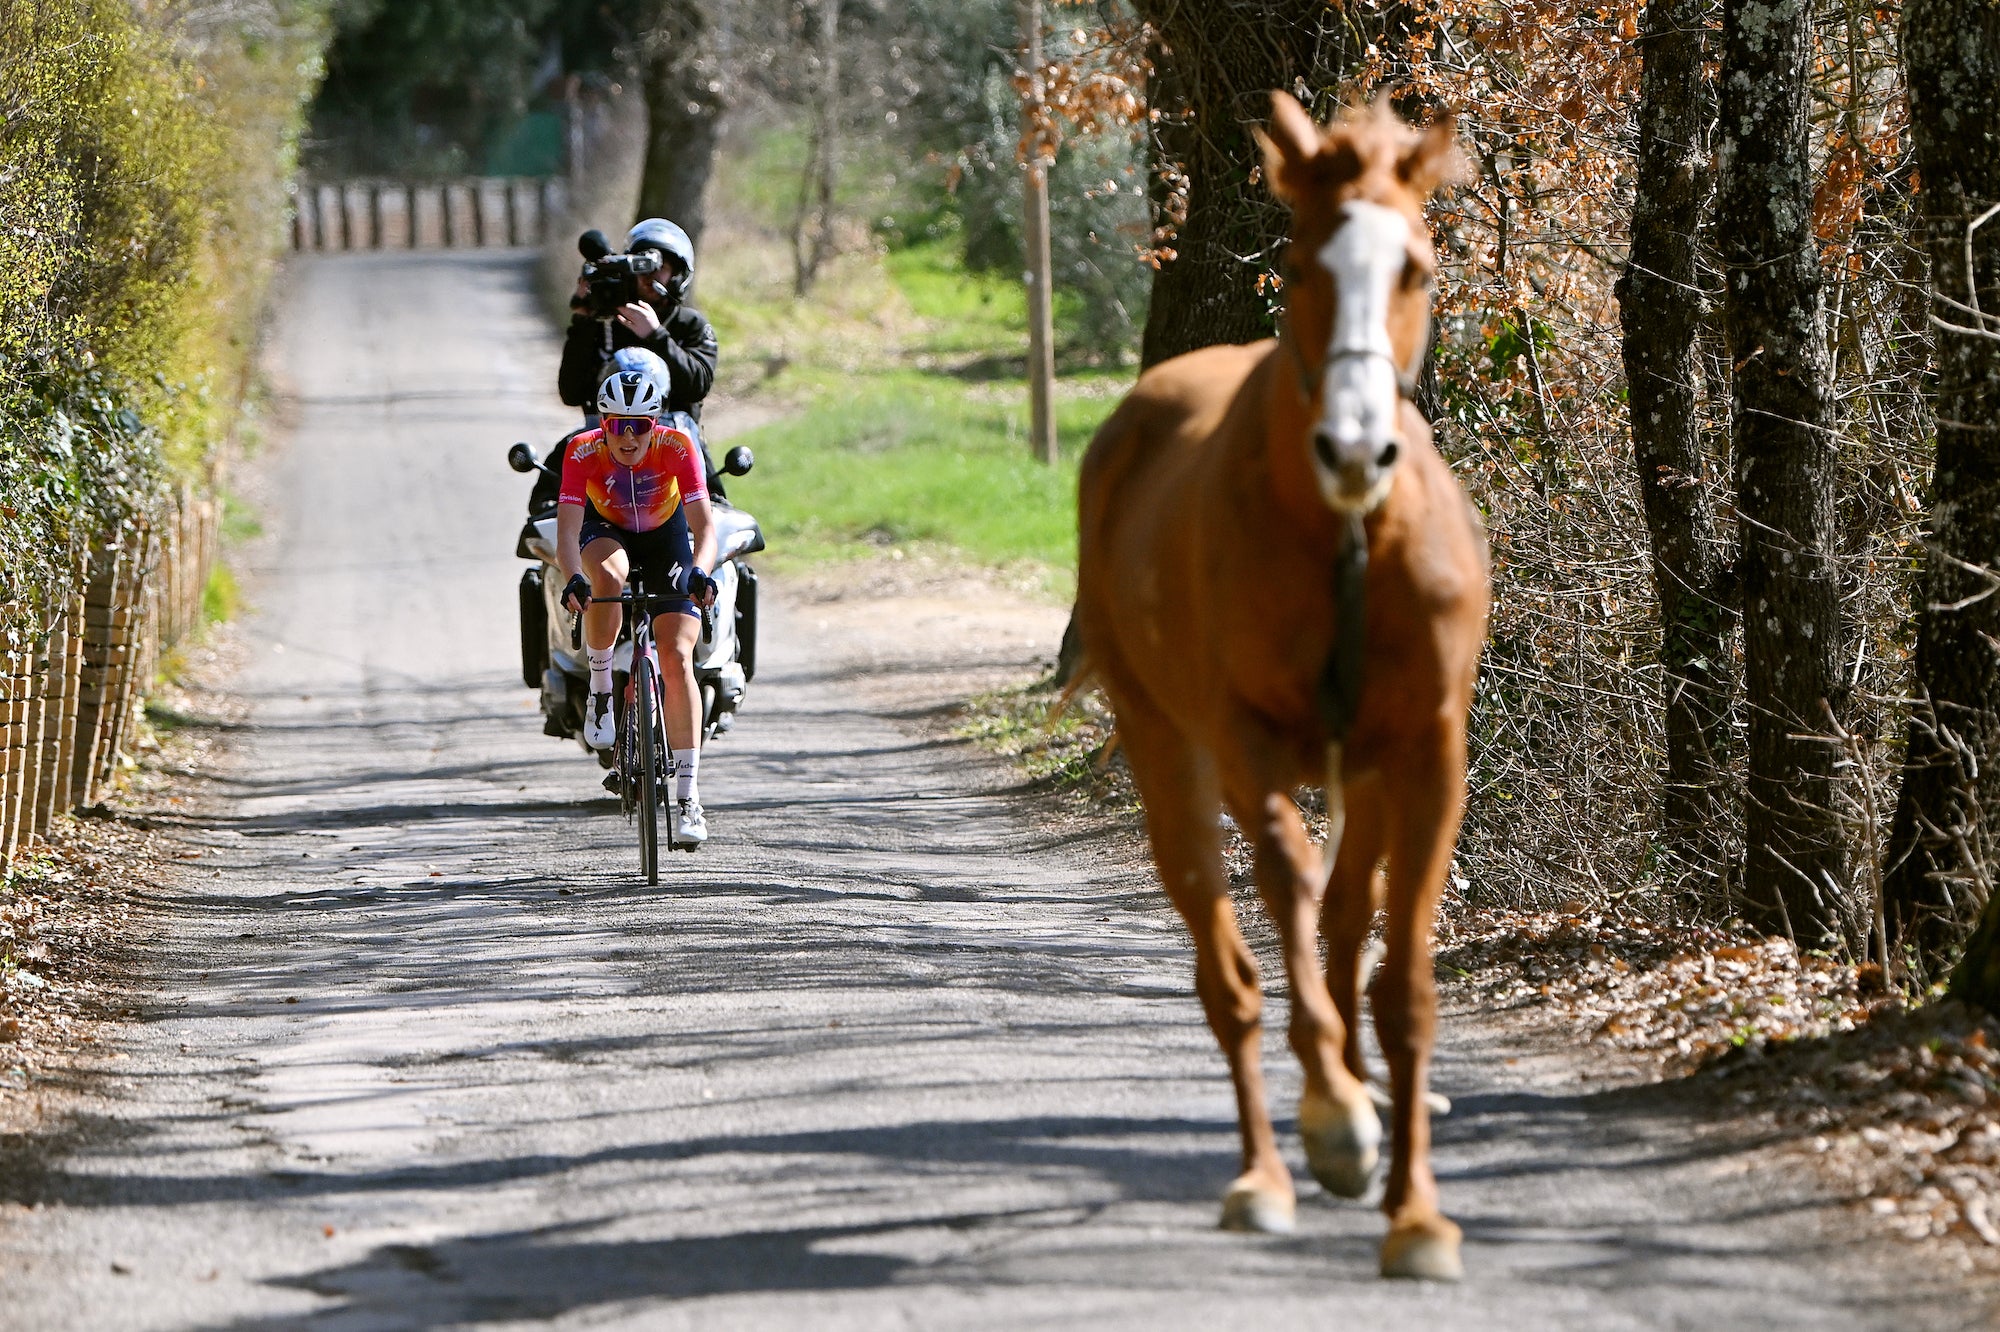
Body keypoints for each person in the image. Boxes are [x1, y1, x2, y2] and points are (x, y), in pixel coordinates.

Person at [556, 367, 719, 845]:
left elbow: (705, 529)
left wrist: (699, 572)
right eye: (617, 424)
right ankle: (602, 689)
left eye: (640, 424)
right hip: (606, 533)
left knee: (676, 656)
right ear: (601, 423)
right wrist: (574, 579)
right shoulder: (581, 450)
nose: (628, 436)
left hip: (666, 539)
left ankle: (688, 797)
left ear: (656, 422)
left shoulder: (677, 447)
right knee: (607, 578)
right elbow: (567, 531)